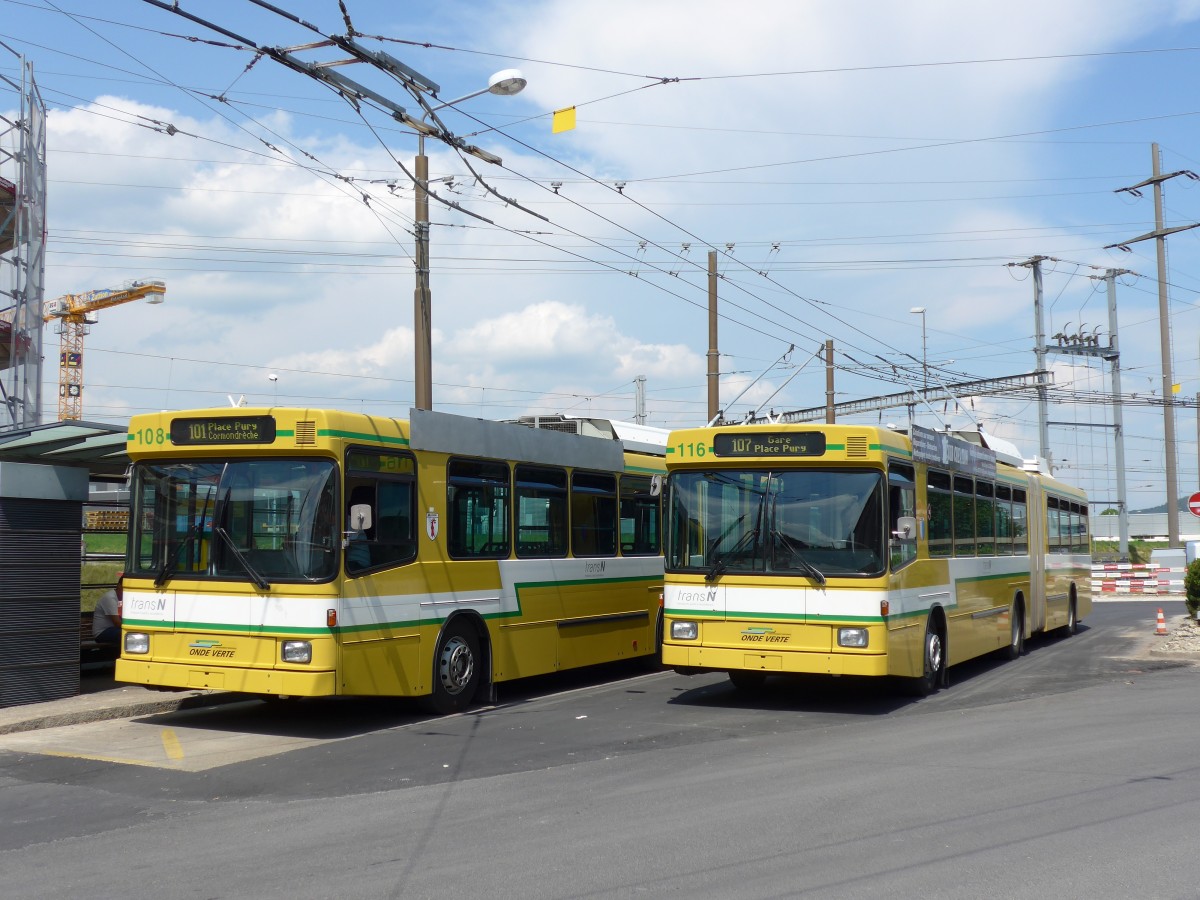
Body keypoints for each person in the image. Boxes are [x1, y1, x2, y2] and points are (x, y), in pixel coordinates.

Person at [92, 574, 123, 645]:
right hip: (102, 632)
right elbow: (117, 622)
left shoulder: (123, 598)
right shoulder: (110, 598)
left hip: (113, 629)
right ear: (119, 585)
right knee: (127, 635)